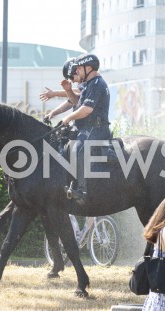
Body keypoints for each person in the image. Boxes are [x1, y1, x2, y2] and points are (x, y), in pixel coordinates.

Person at [61, 54, 111, 204]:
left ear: (88, 68)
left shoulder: (97, 83)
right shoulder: (89, 84)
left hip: (97, 128)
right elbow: (76, 102)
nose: (77, 72)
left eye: (79, 69)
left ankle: (82, 190)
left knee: (78, 150)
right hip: (88, 128)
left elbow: (87, 109)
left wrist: (69, 118)